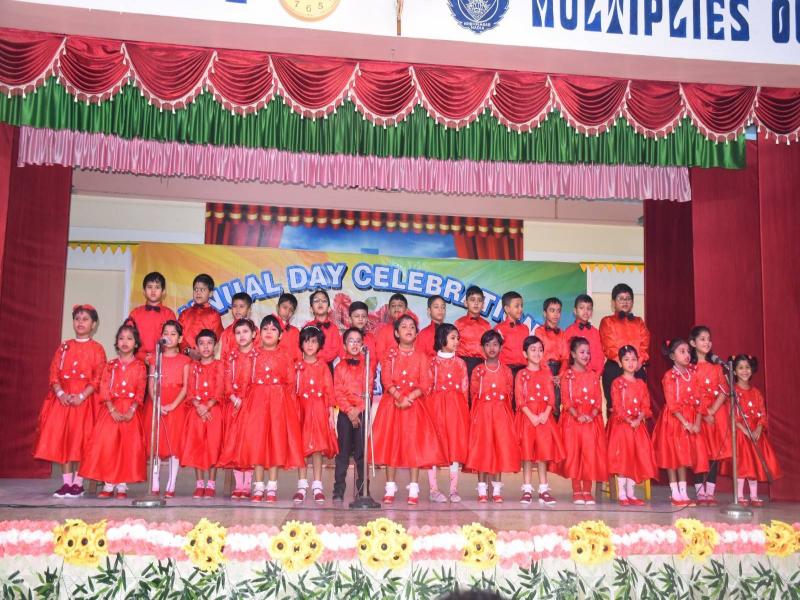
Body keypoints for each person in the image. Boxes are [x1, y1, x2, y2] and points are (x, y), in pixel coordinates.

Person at [34, 304, 107, 498]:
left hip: (85, 401)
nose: (80, 322)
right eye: (77, 319)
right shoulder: (64, 347)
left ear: (93, 324)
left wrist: (82, 395)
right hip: (64, 400)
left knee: (82, 440)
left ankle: (78, 482)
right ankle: (66, 482)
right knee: (65, 439)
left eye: (85, 319)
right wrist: (60, 394)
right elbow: (54, 373)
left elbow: (98, 377)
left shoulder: (97, 349)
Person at [371, 314, 445, 505]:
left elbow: (425, 383)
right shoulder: (390, 355)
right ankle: (390, 487)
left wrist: (409, 399)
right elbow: (386, 379)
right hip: (392, 405)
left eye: (412, 326)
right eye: (404, 326)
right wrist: (399, 397)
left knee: (414, 445)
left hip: (414, 405)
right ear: (396, 333)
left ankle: (413, 488)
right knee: (391, 445)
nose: (408, 330)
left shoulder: (421, 356)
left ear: (416, 333)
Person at [237, 315, 304, 502]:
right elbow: (244, 380)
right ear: (259, 333)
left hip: (278, 404)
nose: (269, 332)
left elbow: (290, 383)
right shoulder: (253, 354)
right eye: (265, 328)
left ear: (280, 335)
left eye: (273, 329)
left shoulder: (285, 355)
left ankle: (272, 486)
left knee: (276, 442)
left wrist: (288, 408)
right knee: (257, 442)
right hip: (257, 403)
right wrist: (243, 403)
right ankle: (258, 487)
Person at [79, 323, 147, 499]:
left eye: (129, 339)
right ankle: (108, 483)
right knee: (108, 446)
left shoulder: (140, 366)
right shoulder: (110, 365)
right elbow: (104, 387)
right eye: (121, 338)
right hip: (111, 411)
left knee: (127, 447)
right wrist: (111, 409)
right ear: (116, 342)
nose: (125, 342)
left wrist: (132, 410)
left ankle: (122, 484)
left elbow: (141, 390)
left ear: (136, 343)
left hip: (130, 412)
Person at [464, 330, 521, 503]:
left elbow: (510, 394)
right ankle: (482, 489)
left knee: (499, 449)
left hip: (501, 416)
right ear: (482, 349)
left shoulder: (506, 371)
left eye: (495, 344)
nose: (491, 348)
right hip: (483, 415)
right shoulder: (478, 371)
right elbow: (474, 394)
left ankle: (496, 489)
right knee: (483, 449)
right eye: (487, 345)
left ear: (501, 348)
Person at [652, 338, 709, 507]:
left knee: (684, 457)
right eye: (682, 351)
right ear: (672, 356)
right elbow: (671, 403)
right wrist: (684, 422)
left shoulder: (694, 374)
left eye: (688, 351)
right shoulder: (669, 376)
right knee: (672, 456)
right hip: (674, 420)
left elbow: (700, 400)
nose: (687, 355)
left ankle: (684, 493)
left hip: (690, 420)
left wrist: (696, 422)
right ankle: (675, 492)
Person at [722, 355, 782, 507]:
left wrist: (759, 428)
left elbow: (762, 414)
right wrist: (745, 431)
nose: (745, 371)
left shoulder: (756, 393)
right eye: (740, 368)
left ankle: (754, 495)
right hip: (741, 436)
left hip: (755, 434)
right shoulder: (733, 392)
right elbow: (732, 416)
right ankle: (740, 496)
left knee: (754, 464)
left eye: (747, 367)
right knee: (742, 466)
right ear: (734, 371)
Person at [515, 335, 564, 505]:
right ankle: (527, 489)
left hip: (544, 418)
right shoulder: (521, 374)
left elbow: (551, 397)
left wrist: (545, 414)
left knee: (543, 454)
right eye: (533, 350)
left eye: (540, 350)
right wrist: (531, 416)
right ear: (525, 353)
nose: (537, 353)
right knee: (527, 455)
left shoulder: (547, 373)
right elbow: (519, 399)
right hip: (527, 418)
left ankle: (544, 489)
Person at [146, 320, 191, 498]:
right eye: (166, 333)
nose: (169, 337)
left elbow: (186, 386)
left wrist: (173, 404)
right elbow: (151, 383)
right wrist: (157, 403)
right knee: (156, 444)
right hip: (157, 402)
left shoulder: (185, 360)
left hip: (176, 404)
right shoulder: (155, 358)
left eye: (173, 334)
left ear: (180, 339)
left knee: (174, 445)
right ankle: (155, 484)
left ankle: (171, 485)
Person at [607, 345, 657, 506]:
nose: (630, 363)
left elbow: (645, 405)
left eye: (634, 359)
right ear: (620, 362)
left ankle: (631, 493)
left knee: (634, 457)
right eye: (626, 359)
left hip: (637, 426)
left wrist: (639, 419)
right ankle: (622, 494)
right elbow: (617, 406)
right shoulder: (617, 383)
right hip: (622, 426)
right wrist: (629, 421)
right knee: (623, 457)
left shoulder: (641, 383)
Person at [560, 336, 607, 505]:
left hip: (590, 421)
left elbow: (598, 400)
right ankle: (577, 490)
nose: (586, 355)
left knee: (589, 454)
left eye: (588, 352)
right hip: (573, 421)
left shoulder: (593, 376)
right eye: (582, 352)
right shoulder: (567, 375)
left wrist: (591, 415)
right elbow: (566, 400)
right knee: (575, 454)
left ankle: (587, 490)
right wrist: (577, 415)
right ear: (573, 354)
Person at [294, 325, 338, 504]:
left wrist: (330, 414)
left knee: (318, 448)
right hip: (301, 410)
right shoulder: (297, 366)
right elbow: (291, 389)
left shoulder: (323, 367)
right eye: (306, 341)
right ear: (301, 344)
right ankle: (301, 485)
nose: (310, 345)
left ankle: (317, 485)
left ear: (320, 344)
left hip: (319, 409)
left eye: (313, 341)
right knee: (301, 447)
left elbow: (329, 390)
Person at [427, 323, 470, 503]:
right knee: (435, 447)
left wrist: (464, 412)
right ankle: (433, 489)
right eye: (452, 338)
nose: (456, 341)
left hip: (456, 409)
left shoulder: (460, 363)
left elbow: (465, 389)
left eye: (457, 338)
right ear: (441, 339)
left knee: (455, 446)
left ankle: (453, 489)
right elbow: (428, 388)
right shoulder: (432, 362)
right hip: (436, 408)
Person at [689, 325, 729, 505]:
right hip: (697, 415)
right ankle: (700, 492)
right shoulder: (690, 369)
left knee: (714, 452)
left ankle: (710, 492)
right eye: (702, 339)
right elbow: (690, 394)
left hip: (715, 414)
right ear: (693, 343)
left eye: (708, 339)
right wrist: (704, 413)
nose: (707, 342)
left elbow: (724, 390)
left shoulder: (716, 367)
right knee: (699, 452)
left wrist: (712, 410)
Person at [181, 329, 225, 499]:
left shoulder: (220, 365)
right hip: (196, 410)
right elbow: (190, 389)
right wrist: (198, 406)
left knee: (213, 445)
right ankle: (199, 483)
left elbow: (220, 388)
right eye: (201, 343)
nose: (206, 347)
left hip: (214, 410)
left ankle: (211, 483)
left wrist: (208, 406)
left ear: (215, 346)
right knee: (197, 444)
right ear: (197, 347)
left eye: (209, 343)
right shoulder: (193, 366)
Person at [219, 318, 258, 500]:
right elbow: (226, 379)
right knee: (234, 443)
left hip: (251, 406)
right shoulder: (231, 356)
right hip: (234, 405)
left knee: (249, 443)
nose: (242, 336)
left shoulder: (258, 355)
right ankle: (238, 485)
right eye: (238, 332)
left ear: (254, 334)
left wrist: (247, 399)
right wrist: (233, 397)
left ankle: (247, 485)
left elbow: (257, 380)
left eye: (245, 332)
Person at [333, 327, 371, 502]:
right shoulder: (339, 367)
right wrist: (349, 411)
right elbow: (338, 392)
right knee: (343, 452)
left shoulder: (367, 366)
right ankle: (338, 490)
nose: (354, 344)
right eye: (351, 341)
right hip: (345, 414)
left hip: (361, 412)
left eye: (358, 341)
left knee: (362, 453)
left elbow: (368, 390)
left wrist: (358, 410)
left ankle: (363, 489)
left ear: (362, 344)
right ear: (344, 345)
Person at [600, 284, 650, 411]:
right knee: (615, 409)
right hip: (615, 368)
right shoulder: (607, 321)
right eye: (621, 298)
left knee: (638, 408)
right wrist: (624, 362)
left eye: (628, 299)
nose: (625, 302)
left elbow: (645, 344)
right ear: (613, 302)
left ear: (632, 302)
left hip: (637, 367)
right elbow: (609, 345)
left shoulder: (639, 321)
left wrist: (638, 362)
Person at [126, 272, 177, 363]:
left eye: (157, 287)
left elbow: (173, 340)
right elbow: (128, 338)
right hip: (137, 361)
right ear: (144, 291)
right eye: (149, 287)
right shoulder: (135, 314)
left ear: (163, 292)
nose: (153, 291)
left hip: (163, 361)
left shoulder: (169, 314)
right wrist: (142, 356)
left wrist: (157, 357)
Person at [533, 298, 568, 417]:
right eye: (552, 310)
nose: (556, 314)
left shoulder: (563, 334)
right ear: (544, 313)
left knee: (556, 406)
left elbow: (565, 358)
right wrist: (548, 375)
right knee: (543, 403)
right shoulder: (539, 331)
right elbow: (539, 355)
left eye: (558, 311)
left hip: (558, 372)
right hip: (543, 370)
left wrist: (560, 375)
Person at [178, 274, 223, 360]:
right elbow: (178, 335)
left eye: (202, 290)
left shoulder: (214, 315)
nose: (198, 293)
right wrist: (187, 350)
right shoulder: (184, 314)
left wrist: (203, 351)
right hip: (185, 359)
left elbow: (217, 339)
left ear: (210, 293)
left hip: (206, 360)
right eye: (196, 289)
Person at [455, 286, 491, 382]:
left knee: (478, 390)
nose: (476, 303)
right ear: (466, 303)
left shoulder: (487, 325)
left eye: (479, 300)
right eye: (472, 300)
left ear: (483, 304)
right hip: (462, 364)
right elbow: (454, 346)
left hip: (481, 364)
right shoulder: (459, 323)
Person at [564, 294, 604, 376]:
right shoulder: (569, 331)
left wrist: (597, 374)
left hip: (593, 376)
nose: (585, 311)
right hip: (574, 376)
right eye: (581, 308)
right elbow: (566, 356)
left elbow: (600, 355)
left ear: (592, 312)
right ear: (575, 311)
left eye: (588, 308)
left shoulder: (596, 332)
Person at [304, 289, 342, 371]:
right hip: (310, 366)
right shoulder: (307, 327)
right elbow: (304, 347)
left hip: (328, 367)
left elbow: (335, 349)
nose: (320, 303)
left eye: (324, 301)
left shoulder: (334, 328)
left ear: (329, 308)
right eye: (316, 301)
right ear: (311, 308)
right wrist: (314, 358)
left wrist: (320, 358)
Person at [495, 291, 530, 376]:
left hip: (524, 370)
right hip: (506, 370)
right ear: (507, 309)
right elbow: (495, 353)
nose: (520, 309)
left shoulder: (525, 328)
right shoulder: (499, 328)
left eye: (521, 306)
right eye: (517, 306)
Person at [374, 293, 413, 363]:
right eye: (393, 306)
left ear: (406, 310)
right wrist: (389, 366)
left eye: (400, 305)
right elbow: (380, 353)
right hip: (388, 367)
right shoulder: (383, 331)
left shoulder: (412, 330)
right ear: (389, 311)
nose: (396, 308)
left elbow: (416, 353)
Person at [219, 292, 255, 360]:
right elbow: (223, 356)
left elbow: (259, 353)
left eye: (241, 306)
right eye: (234, 306)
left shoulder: (254, 331)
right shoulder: (226, 332)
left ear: (249, 309)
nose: (238, 310)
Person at [275, 293, 301, 364]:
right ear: (277, 307)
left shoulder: (295, 331)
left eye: (291, 310)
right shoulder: (269, 327)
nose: (287, 312)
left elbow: (299, 355)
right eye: (285, 307)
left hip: (291, 367)